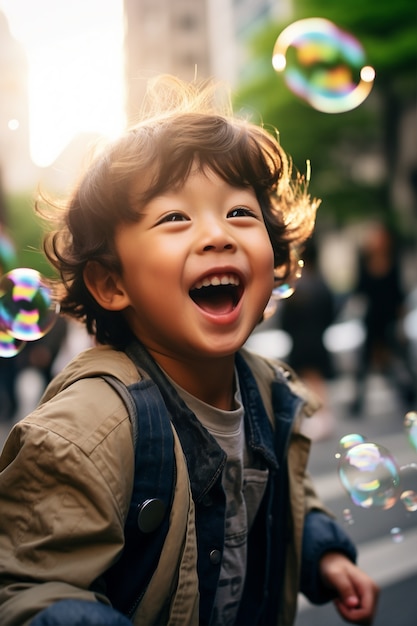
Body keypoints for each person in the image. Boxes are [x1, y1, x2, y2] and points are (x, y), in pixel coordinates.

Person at [0, 75, 379, 626]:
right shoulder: (85, 432)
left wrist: (323, 552)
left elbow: (285, 501)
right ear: (111, 284)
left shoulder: (272, 394)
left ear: (273, 264)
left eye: (240, 214)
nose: (218, 235)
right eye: (175, 218)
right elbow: (31, 587)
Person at [350, 222, 416, 416]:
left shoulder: (394, 261)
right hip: (372, 320)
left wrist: (402, 324)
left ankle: (409, 392)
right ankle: (359, 401)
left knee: (398, 360)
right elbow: (359, 290)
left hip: (390, 320)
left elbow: (399, 294)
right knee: (365, 362)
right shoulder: (364, 261)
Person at [279, 236, 336, 440]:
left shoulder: (296, 287)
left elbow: (285, 320)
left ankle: (318, 420)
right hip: (318, 339)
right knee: (317, 381)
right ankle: (324, 417)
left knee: (306, 381)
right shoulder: (321, 282)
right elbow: (331, 312)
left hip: (300, 341)